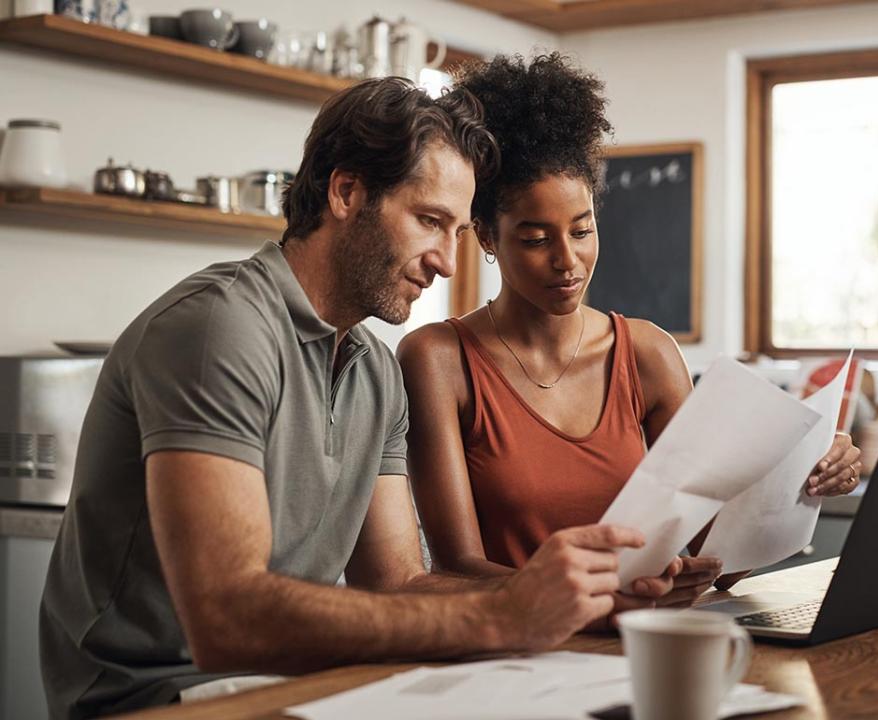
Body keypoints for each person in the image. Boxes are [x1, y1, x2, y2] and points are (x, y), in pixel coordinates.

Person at [39, 78, 648, 720]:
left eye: (458, 233)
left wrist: (583, 597)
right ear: (347, 192)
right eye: (428, 221)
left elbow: (399, 584)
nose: (445, 261)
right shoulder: (220, 329)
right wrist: (501, 616)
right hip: (154, 699)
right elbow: (227, 619)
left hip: (291, 686)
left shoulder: (375, 372)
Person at [397, 54, 862, 615]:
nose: (567, 260)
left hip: (643, 643)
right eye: (535, 238)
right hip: (516, 653)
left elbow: (715, 555)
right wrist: (600, 602)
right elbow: (457, 569)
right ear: (487, 238)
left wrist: (801, 480)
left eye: (582, 229)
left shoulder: (646, 353)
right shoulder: (437, 359)